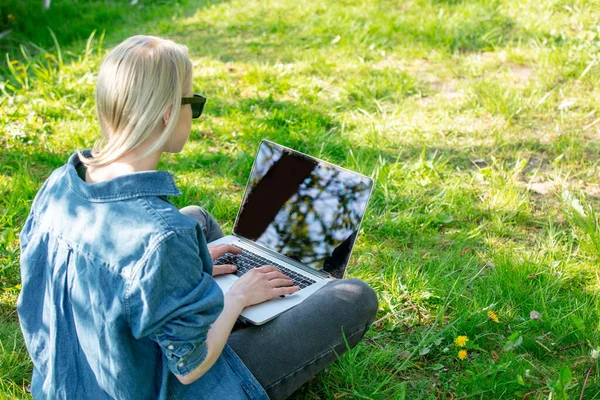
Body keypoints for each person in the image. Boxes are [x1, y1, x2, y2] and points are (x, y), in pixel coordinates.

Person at [17, 35, 379, 399]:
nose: (195, 112)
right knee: (354, 296)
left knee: (199, 220)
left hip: (69, 381)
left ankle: (231, 307)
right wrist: (238, 296)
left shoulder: (60, 184)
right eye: (195, 102)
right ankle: (240, 313)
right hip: (163, 387)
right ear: (167, 114)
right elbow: (190, 365)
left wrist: (196, 265)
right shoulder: (162, 236)